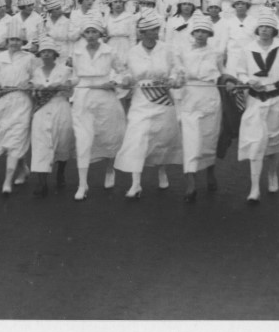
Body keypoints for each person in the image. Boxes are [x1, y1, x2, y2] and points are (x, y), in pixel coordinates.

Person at [231, 9, 279, 204]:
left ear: (274, 30)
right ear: (257, 29)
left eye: (268, 27)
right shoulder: (248, 48)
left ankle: (272, 174)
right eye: (261, 27)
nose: (264, 31)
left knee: (274, 142)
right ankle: (254, 188)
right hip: (255, 101)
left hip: (276, 100)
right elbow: (240, 71)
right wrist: (248, 80)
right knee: (255, 142)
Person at [114, 11, 182, 199]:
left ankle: (162, 171)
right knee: (137, 139)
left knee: (162, 138)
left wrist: (174, 79)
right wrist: (126, 79)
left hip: (163, 100)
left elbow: (177, 68)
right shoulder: (132, 52)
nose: (156, 33)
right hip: (141, 100)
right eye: (152, 30)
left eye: (157, 29)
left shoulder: (167, 49)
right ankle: (136, 184)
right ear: (142, 33)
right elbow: (123, 72)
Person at [69, 15, 126, 200]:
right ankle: (82, 184)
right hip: (83, 98)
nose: (91, 35)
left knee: (110, 136)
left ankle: (110, 170)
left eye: (94, 31)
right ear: (83, 33)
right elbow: (75, 76)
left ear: (100, 33)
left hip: (105, 97)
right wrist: (65, 84)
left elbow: (122, 71)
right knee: (83, 139)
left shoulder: (109, 50)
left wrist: (114, 81)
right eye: (88, 32)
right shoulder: (76, 51)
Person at [174, 13, 224, 201]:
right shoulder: (183, 52)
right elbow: (177, 72)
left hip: (210, 98)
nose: (201, 35)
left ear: (209, 33)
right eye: (198, 31)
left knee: (209, 139)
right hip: (190, 98)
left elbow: (222, 73)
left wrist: (229, 81)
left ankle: (210, 173)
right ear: (193, 33)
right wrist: (177, 80)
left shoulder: (216, 52)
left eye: (204, 31)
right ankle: (191, 184)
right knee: (191, 140)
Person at [0, 19, 37, 195]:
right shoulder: (0, 58)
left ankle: (7, 181)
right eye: (12, 39)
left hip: (23, 101)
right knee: (10, 139)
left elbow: (36, 77)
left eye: (18, 39)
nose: (15, 43)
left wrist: (30, 84)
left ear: (23, 42)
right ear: (7, 41)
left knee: (16, 138)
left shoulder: (29, 58)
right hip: (4, 101)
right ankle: (23, 168)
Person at [28, 36, 75, 197]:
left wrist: (62, 86)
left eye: (49, 52)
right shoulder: (35, 72)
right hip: (42, 110)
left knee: (62, 142)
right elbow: (33, 93)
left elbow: (71, 91)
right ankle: (42, 183)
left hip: (61, 108)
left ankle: (60, 172)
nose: (46, 55)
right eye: (43, 52)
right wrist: (37, 89)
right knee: (41, 144)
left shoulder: (66, 70)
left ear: (55, 54)